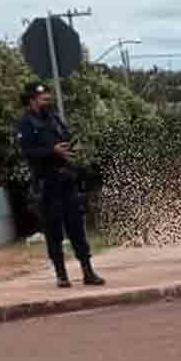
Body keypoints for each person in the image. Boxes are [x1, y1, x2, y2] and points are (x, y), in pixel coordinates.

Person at [16, 82, 105, 288]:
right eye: (43, 98)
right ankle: (61, 275)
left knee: (77, 228)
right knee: (54, 231)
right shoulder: (25, 124)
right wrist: (52, 151)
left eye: (48, 97)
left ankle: (87, 271)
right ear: (32, 100)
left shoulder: (54, 118)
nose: (48, 101)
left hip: (66, 181)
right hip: (47, 184)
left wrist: (72, 146)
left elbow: (66, 137)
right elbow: (27, 152)